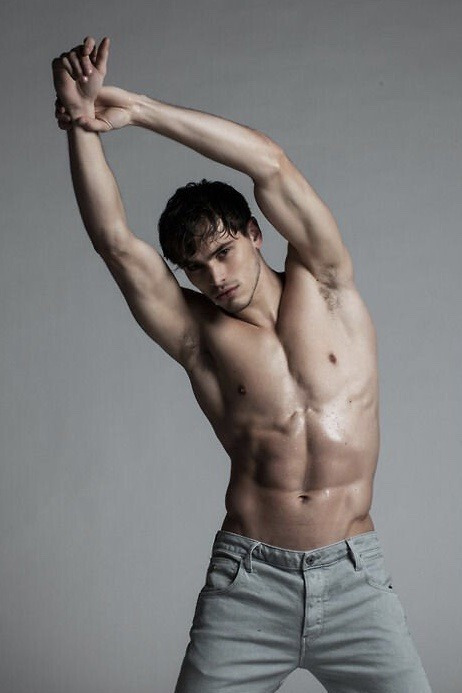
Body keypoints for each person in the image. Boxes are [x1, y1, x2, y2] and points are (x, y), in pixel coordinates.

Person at [51, 36, 432, 693]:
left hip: (355, 581)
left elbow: (271, 163)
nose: (215, 277)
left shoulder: (327, 281)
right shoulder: (200, 336)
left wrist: (138, 110)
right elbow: (113, 242)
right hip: (249, 584)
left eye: (224, 251)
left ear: (255, 234)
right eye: (196, 268)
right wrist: (81, 123)